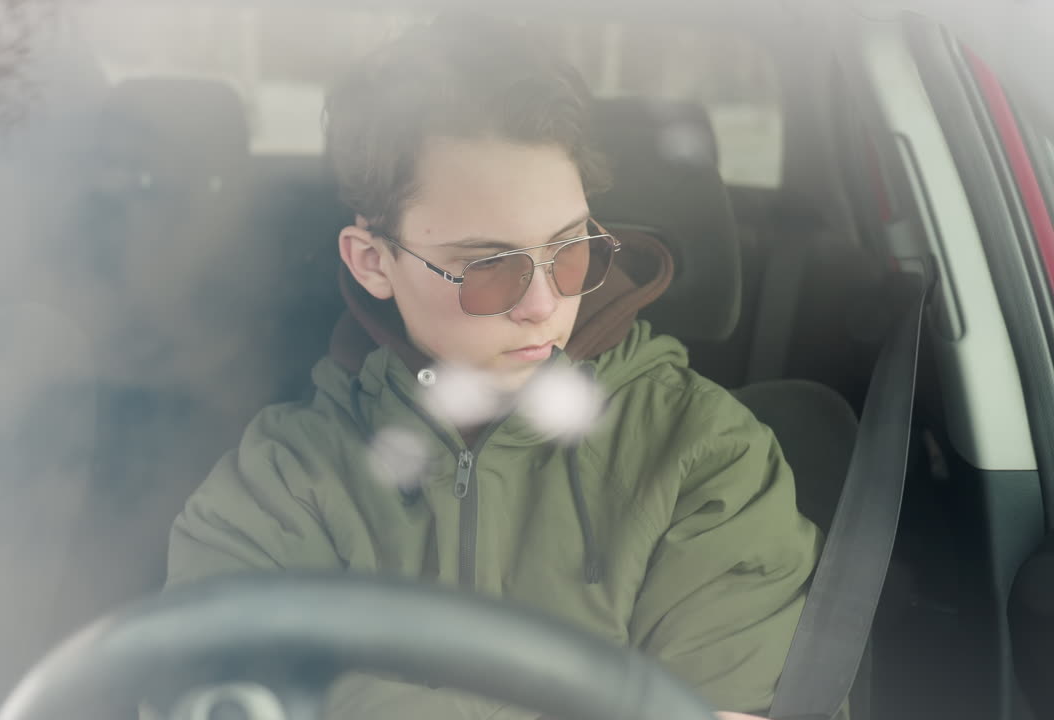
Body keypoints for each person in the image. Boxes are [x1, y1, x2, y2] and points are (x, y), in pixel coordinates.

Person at [166, 13, 822, 719]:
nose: (543, 305)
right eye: (488, 268)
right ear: (373, 261)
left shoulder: (706, 458)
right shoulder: (283, 481)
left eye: (572, 251)